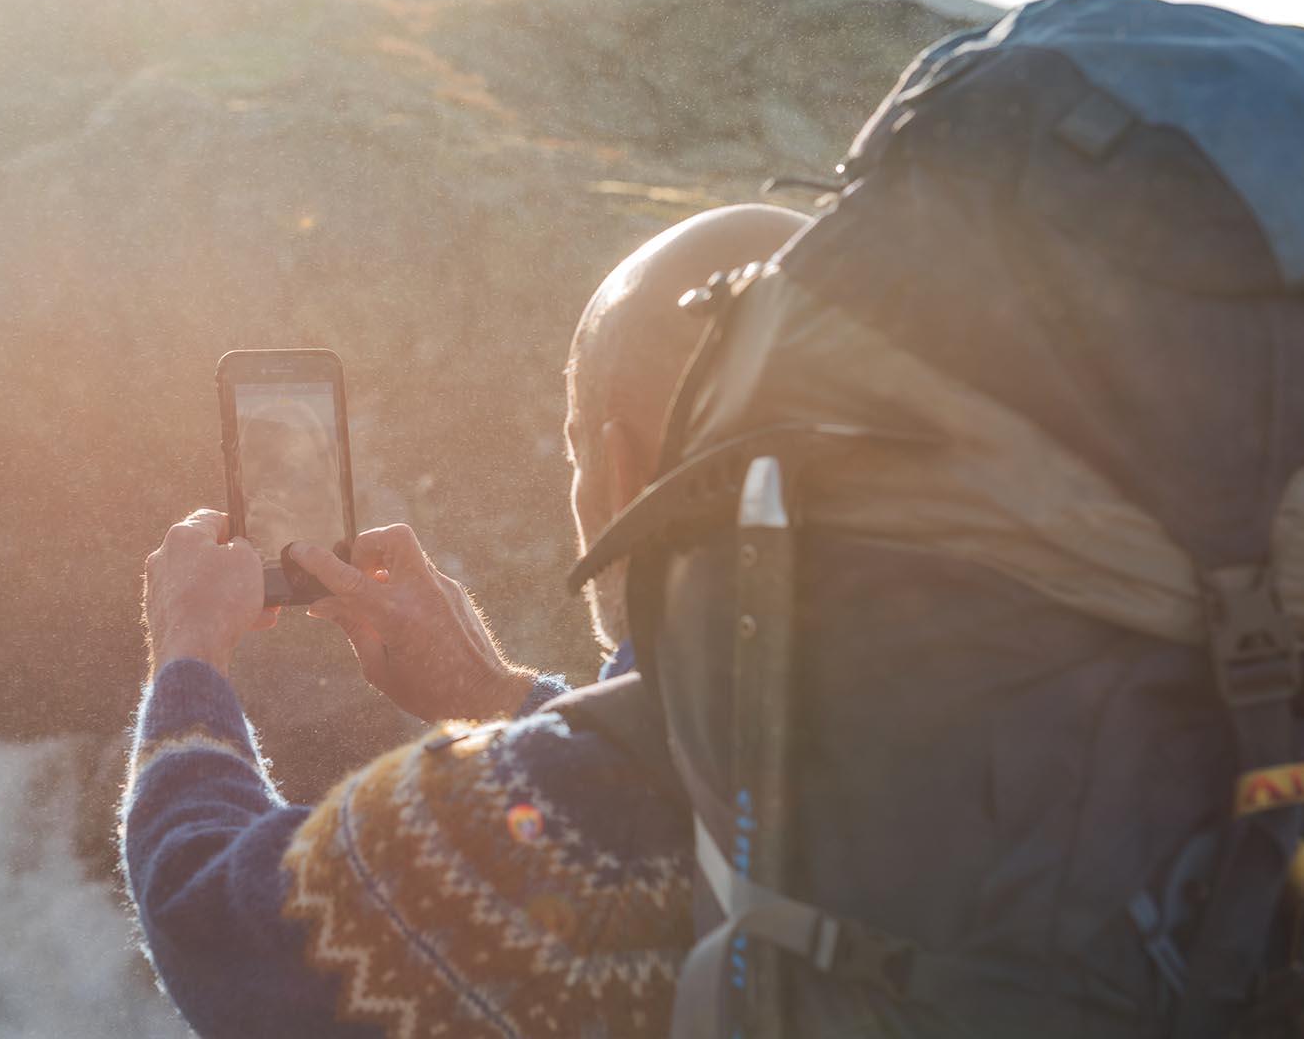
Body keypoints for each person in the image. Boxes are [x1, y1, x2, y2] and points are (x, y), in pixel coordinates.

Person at [120, 204, 810, 1037]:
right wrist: (499, 697)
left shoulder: (578, 820)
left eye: (577, 452)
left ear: (621, 472)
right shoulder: (965, 721)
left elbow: (216, 920)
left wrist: (188, 651)